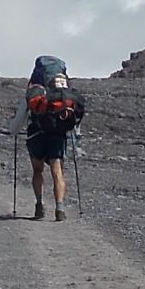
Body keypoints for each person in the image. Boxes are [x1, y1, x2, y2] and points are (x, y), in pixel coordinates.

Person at [17, 56, 85, 220]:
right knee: (57, 172)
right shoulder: (66, 97)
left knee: (38, 170)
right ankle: (59, 208)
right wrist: (77, 144)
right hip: (57, 136)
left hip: (36, 135)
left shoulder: (35, 92)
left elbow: (18, 121)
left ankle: (39, 205)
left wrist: (14, 130)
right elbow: (75, 121)